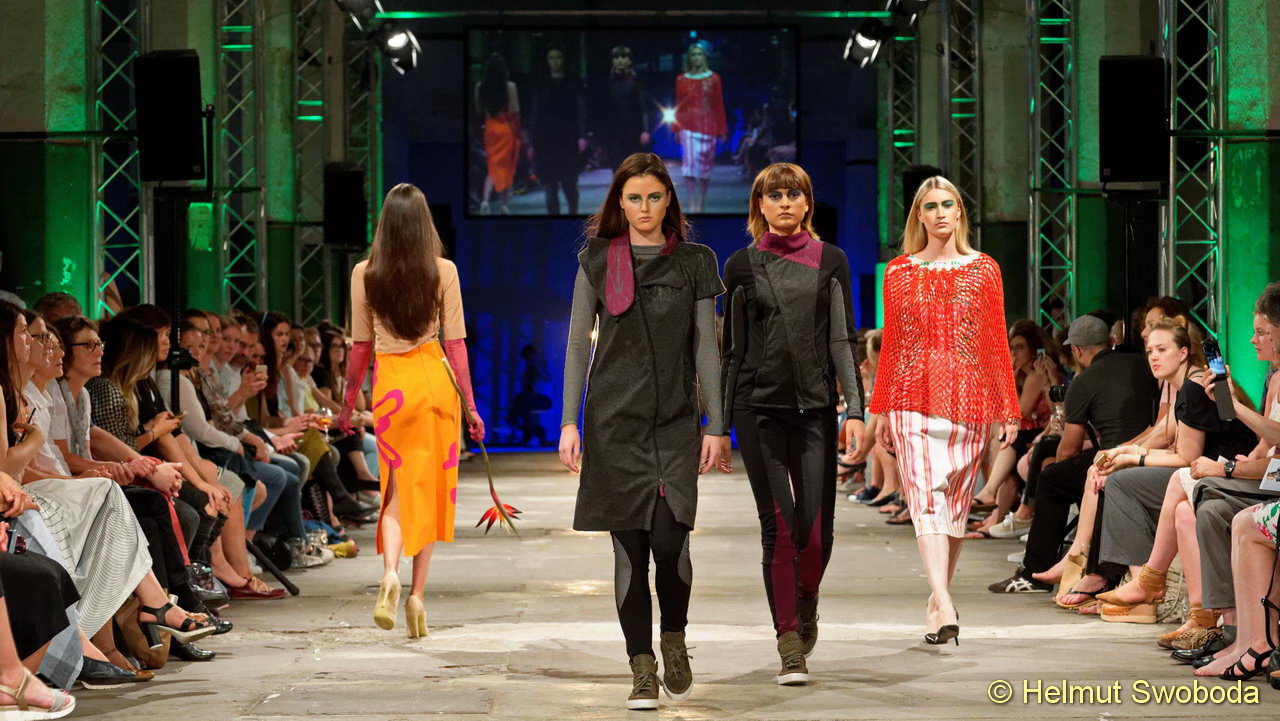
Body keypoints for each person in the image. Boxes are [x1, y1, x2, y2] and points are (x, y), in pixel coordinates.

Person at [558, 153, 724, 710]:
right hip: (613, 424)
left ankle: (673, 637)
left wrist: (716, 423)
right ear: (620, 203)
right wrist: (568, 421)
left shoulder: (696, 261)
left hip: (675, 422)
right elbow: (577, 344)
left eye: (654, 197)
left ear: (669, 199)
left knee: (670, 542)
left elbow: (706, 346)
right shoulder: (597, 260)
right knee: (629, 551)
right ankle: (641, 666)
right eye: (634, 198)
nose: (645, 207)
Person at [719, 162, 864, 684]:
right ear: (759, 205)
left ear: (807, 203)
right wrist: (718, 426)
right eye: (774, 195)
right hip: (757, 409)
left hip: (816, 410)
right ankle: (788, 642)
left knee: (816, 534)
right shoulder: (740, 265)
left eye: (793, 194)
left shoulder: (832, 260)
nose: (784, 203)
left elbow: (842, 338)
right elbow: (731, 349)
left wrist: (856, 410)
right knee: (778, 529)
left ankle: (806, 601)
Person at [870, 176, 1021, 645]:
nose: (939, 213)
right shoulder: (899, 271)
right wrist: (881, 411)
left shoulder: (984, 269)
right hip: (911, 398)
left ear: (959, 213)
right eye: (931, 206)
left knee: (953, 505)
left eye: (948, 204)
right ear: (919, 215)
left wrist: (1008, 408)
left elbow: (995, 342)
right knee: (925, 499)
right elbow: (892, 347)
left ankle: (937, 604)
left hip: (967, 398)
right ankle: (945, 599)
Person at [338, 183, 485, 639]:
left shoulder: (364, 273)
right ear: (425, 225)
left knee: (396, 491)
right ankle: (417, 597)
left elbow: (360, 347)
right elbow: (455, 345)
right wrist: (471, 406)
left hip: (391, 389)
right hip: (434, 384)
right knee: (432, 491)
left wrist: (347, 404)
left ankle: (389, 574)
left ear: (384, 225)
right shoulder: (444, 270)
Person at [988, 314, 1158, 594]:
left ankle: (1034, 571)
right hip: (1149, 450)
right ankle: (1075, 556)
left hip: (1113, 459)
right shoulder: (1141, 364)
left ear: (1077, 350)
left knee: (1052, 478)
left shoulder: (1084, 381)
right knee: (1066, 468)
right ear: (1110, 341)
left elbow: (1069, 448)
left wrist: (1057, 466)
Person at [531, 46, 587, 215]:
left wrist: (582, 135)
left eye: (558, 58)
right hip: (546, 139)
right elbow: (535, 112)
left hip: (568, 137)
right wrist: (533, 141)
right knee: (550, 185)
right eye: (551, 58)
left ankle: (573, 214)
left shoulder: (574, 81)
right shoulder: (541, 82)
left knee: (569, 184)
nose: (555, 62)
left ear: (564, 60)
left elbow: (581, 110)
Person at [673, 41, 727, 214]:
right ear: (689, 58)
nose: (697, 58)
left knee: (704, 167)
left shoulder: (714, 78)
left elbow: (718, 104)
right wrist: (676, 128)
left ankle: (701, 203)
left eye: (700, 54)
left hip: (708, 125)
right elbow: (678, 105)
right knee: (689, 165)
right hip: (687, 125)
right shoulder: (681, 79)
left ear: (705, 57)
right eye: (694, 55)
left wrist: (722, 129)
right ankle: (691, 204)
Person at [475, 53, 520, 215]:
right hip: (506, 130)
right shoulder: (510, 86)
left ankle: (485, 201)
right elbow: (514, 112)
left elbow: (479, 111)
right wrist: (519, 135)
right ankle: (505, 205)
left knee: (492, 167)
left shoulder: (480, 87)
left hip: (490, 130)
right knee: (507, 168)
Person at [596, 46, 651, 168]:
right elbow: (602, 111)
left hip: (634, 133)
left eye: (623, 57)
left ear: (630, 60)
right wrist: (601, 138)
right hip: (613, 134)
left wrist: (645, 130)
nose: (620, 60)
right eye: (616, 57)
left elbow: (644, 108)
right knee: (618, 170)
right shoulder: (607, 83)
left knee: (633, 171)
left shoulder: (637, 82)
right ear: (612, 61)